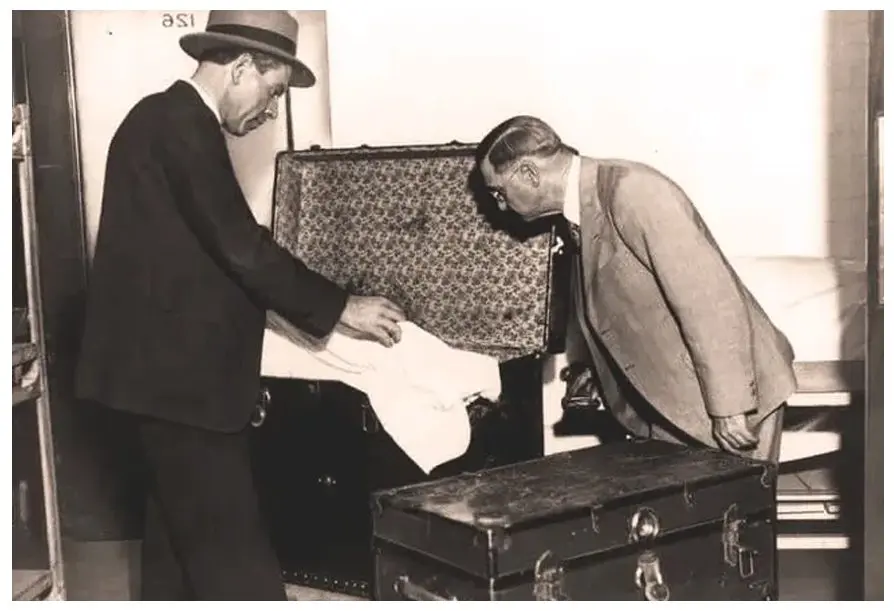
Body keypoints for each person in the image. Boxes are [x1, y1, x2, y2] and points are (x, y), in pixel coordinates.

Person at [75, 11, 406, 600]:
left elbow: (203, 252)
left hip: (159, 386)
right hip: (183, 391)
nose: (271, 110)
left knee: (177, 563)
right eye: (274, 91)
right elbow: (239, 246)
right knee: (239, 570)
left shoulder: (162, 120)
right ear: (242, 68)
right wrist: (341, 307)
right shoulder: (178, 121)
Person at [475, 115, 796, 464]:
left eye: (499, 191)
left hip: (728, 404)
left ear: (529, 174)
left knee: (738, 514)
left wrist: (731, 406)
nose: (500, 205)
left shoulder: (633, 192)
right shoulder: (581, 208)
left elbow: (709, 301)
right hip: (672, 406)